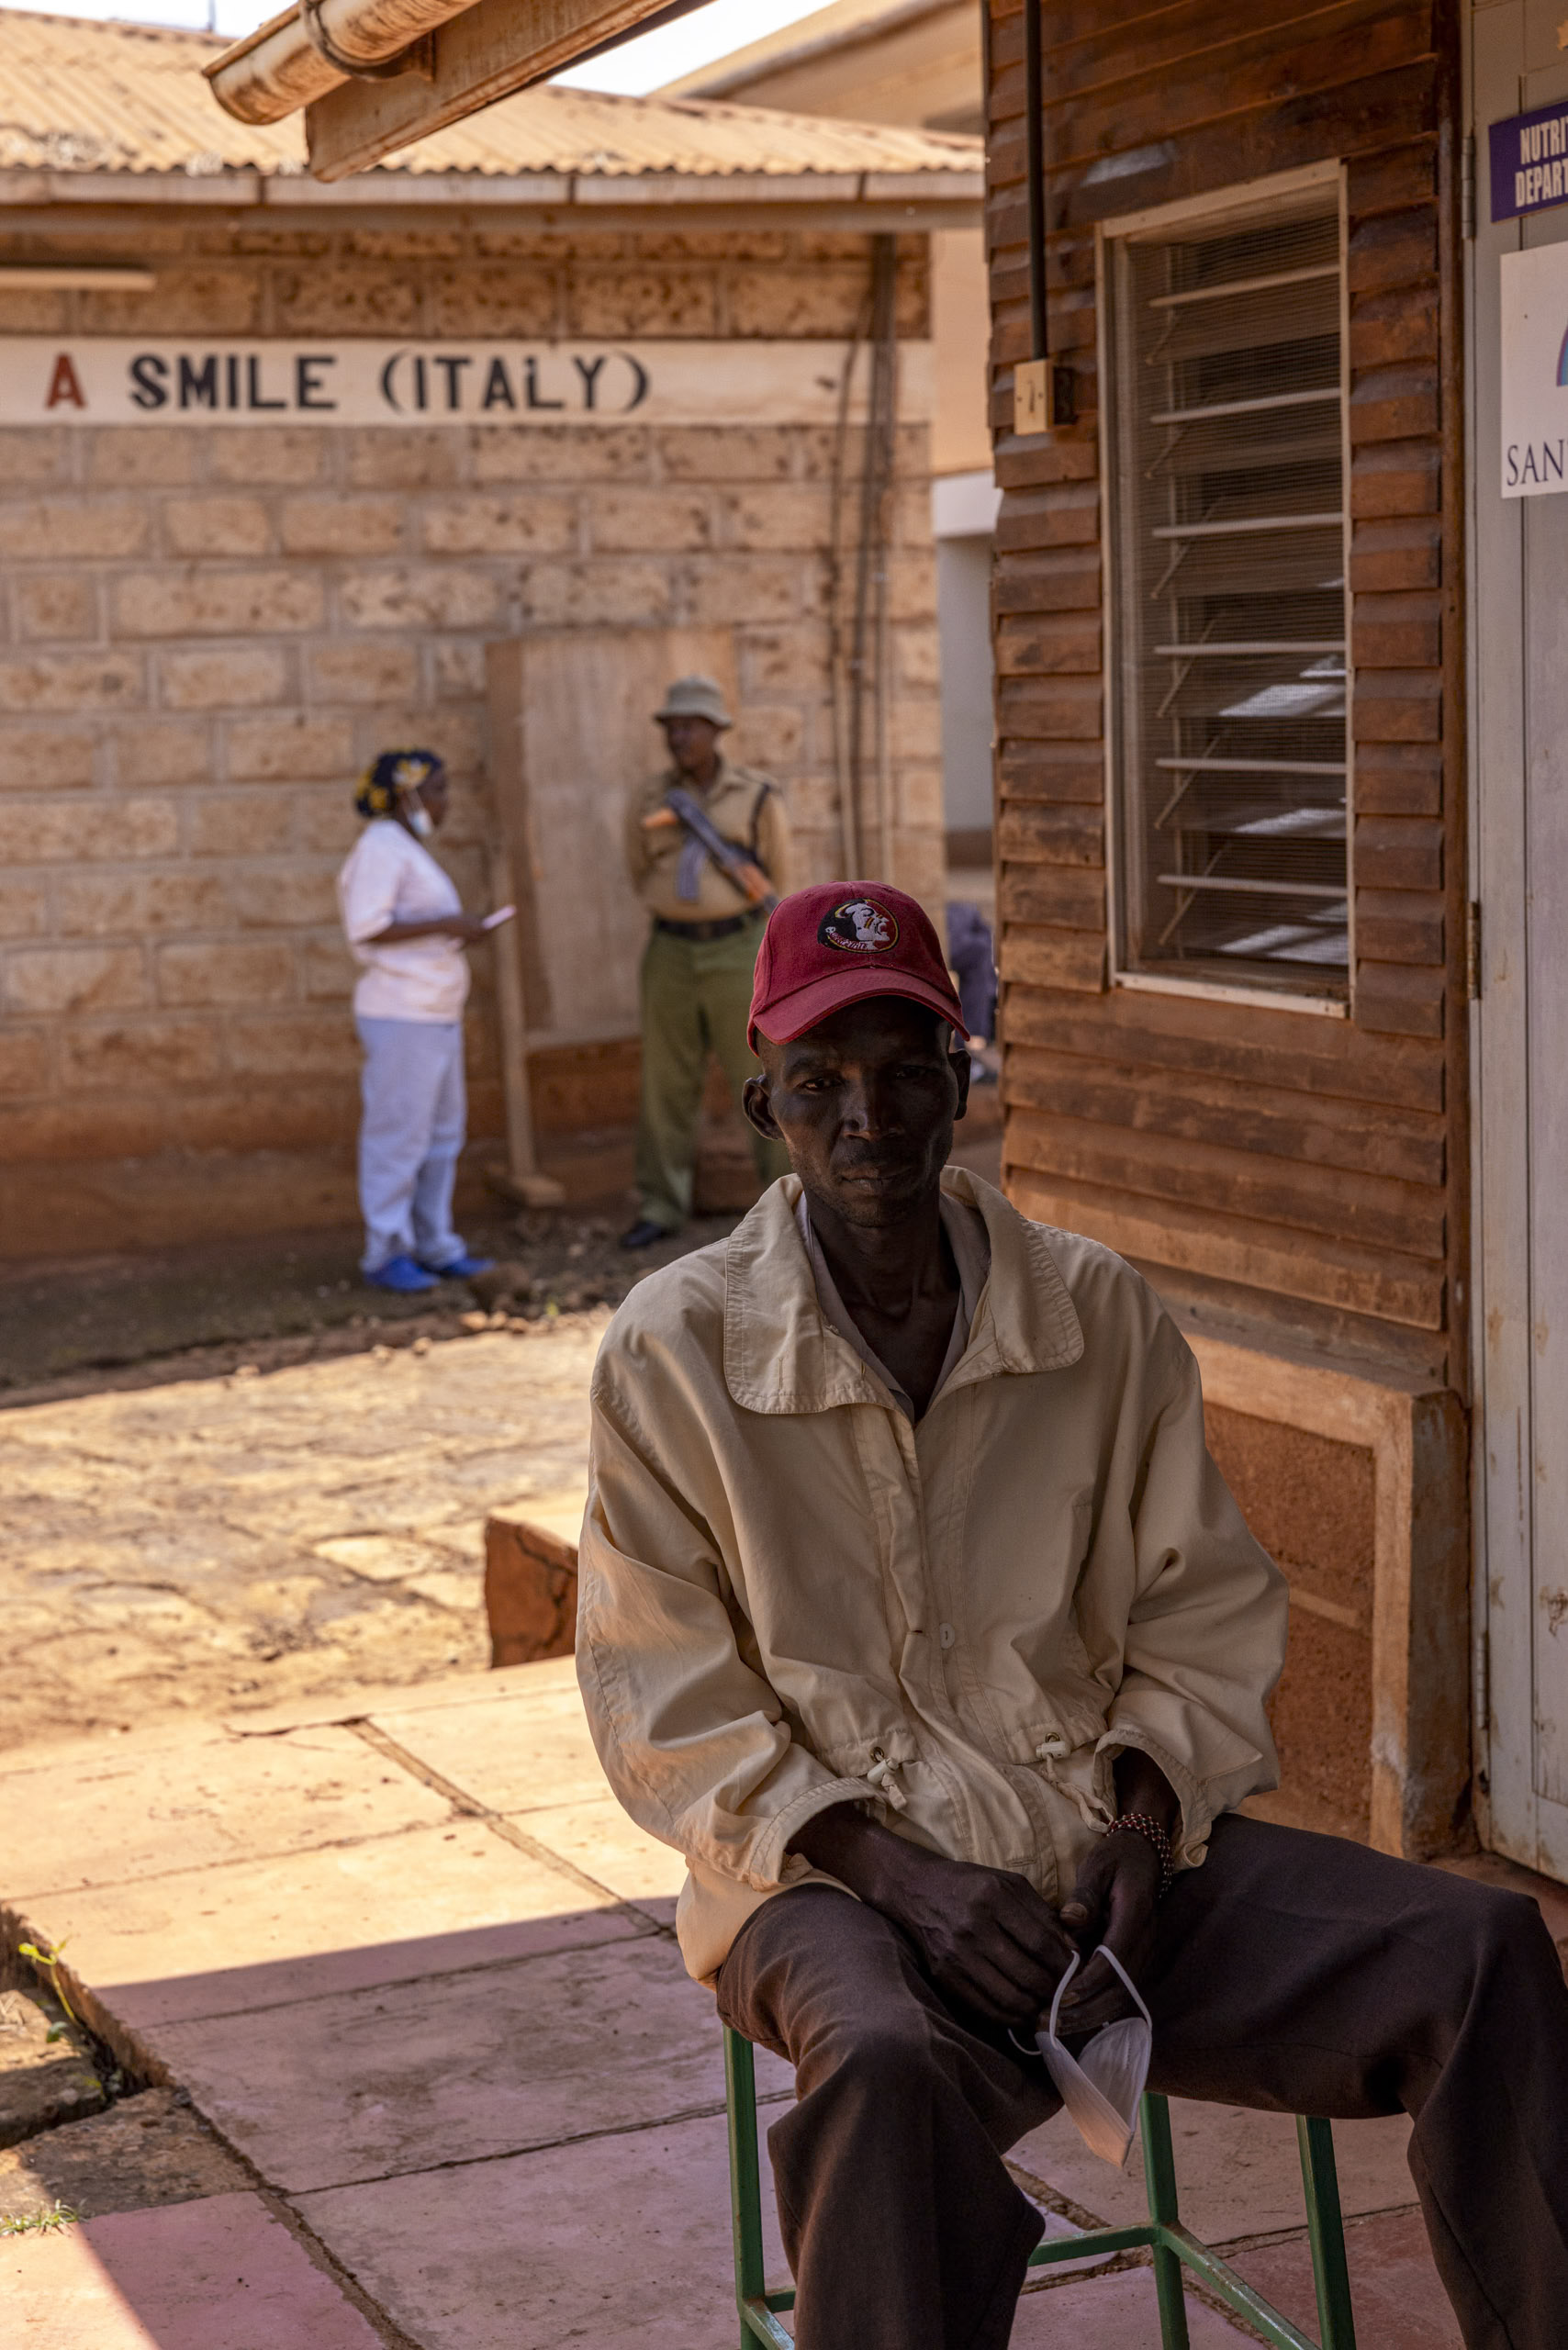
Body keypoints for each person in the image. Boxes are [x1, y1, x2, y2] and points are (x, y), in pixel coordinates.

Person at [577, 878, 1568, 2350]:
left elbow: (1205, 1609)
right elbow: (667, 1705)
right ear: (760, 1108)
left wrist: (1143, 1824)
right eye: (821, 1082)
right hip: (826, 1884)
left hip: (1104, 1866)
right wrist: (908, 1885)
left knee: (1483, 1953)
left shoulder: (1093, 1311)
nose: (871, 1116)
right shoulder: (673, 1354)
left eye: (909, 1070)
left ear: (962, 1081)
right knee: (885, 2067)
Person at [619, 675, 791, 1251]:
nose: (678, 736)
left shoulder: (756, 794)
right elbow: (638, 867)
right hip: (669, 949)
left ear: (717, 731)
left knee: (760, 1074)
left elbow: (779, 875)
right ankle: (661, 1203)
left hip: (738, 946)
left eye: (690, 726)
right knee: (664, 1082)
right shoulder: (649, 798)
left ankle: (786, 1201)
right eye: (671, 726)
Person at [335, 748, 494, 1295]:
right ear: (408, 795)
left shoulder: (405, 848)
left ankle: (435, 1244)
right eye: (439, 789)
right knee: (398, 1137)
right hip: (402, 1014)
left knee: (441, 1136)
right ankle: (386, 1251)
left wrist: (449, 929)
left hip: (431, 1014)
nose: (446, 801)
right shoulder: (381, 847)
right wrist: (447, 923)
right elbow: (367, 926)